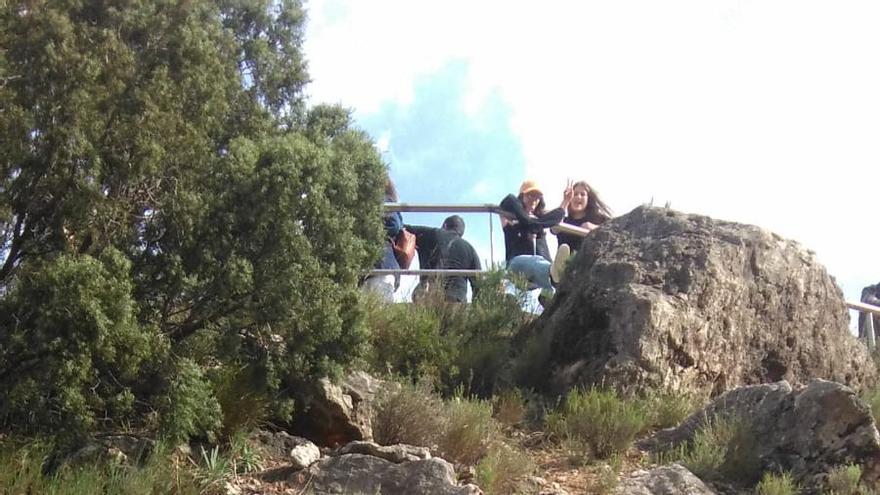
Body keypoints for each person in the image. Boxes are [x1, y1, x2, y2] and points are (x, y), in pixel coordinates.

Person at [499, 180, 572, 302]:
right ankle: (552, 277)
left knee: (549, 267)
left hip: (540, 270)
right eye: (530, 195)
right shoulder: (510, 216)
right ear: (522, 196)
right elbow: (507, 202)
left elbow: (556, 217)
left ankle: (549, 297)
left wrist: (566, 201)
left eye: (537, 197)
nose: (534, 200)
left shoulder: (540, 220)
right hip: (517, 265)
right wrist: (527, 220)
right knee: (537, 263)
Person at [406, 215, 481, 303]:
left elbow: (403, 229)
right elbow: (478, 285)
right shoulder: (470, 249)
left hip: (428, 295)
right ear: (461, 232)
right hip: (456, 300)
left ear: (445, 225)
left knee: (419, 293)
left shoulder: (432, 233)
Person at [550, 180, 612, 284]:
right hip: (565, 268)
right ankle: (558, 273)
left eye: (582, 194)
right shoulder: (564, 220)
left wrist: (593, 228)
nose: (578, 197)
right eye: (575, 194)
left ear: (588, 199)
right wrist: (565, 201)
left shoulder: (599, 219)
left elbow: (616, 230)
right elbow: (554, 227)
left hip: (586, 265)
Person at [362, 179, 402, 301]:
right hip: (380, 267)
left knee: (375, 313)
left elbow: (393, 225)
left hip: (380, 265)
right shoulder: (390, 204)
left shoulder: (382, 201)